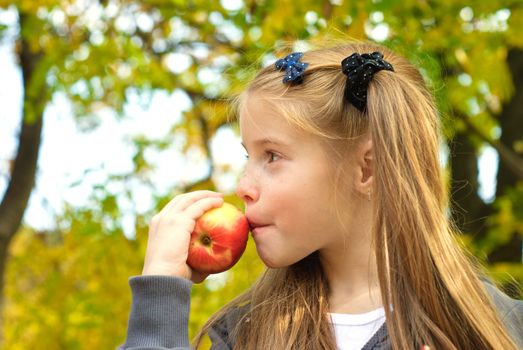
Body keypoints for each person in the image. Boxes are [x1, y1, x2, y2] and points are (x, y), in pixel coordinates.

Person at [118, 41, 523, 350]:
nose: (242, 185)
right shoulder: (246, 332)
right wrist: (161, 299)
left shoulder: (494, 326)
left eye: (272, 156)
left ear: (367, 168)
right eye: (248, 156)